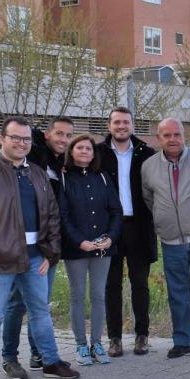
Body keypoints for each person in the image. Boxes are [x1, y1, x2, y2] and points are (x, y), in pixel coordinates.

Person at [0, 116, 80, 379]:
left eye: (26, 139)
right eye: (15, 137)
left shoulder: (36, 172)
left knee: (40, 312)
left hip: (35, 257)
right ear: (2, 139)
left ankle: (50, 362)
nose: (21, 143)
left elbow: (51, 214)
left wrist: (50, 252)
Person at [142, 118, 190, 360]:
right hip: (171, 241)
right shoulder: (148, 167)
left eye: (177, 134)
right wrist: (163, 221)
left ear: (184, 135)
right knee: (177, 293)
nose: (173, 139)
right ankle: (182, 340)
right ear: (159, 139)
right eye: (167, 135)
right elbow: (149, 199)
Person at [97, 106, 157, 357]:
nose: (121, 126)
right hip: (108, 227)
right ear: (109, 125)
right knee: (111, 285)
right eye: (116, 122)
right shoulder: (97, 153)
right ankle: (114, 339)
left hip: (139, 226)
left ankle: (142, 335)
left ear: (133, 125)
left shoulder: (147, 153)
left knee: (140, 283)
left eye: (126, 122)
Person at [58, 134, 123, 366]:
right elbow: (63, 216)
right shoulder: (64, 179)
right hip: (76, 248)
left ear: (94, 154)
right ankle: (80, 345)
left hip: (103, 248)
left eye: (89, 148)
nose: (85, 151)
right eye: (80, 148)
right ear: (72, 151)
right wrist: (79, 241)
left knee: (98, 295)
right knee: (77, 296)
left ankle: (97, 343)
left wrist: (110, 238)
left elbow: (116, 211)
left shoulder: (103, 177)